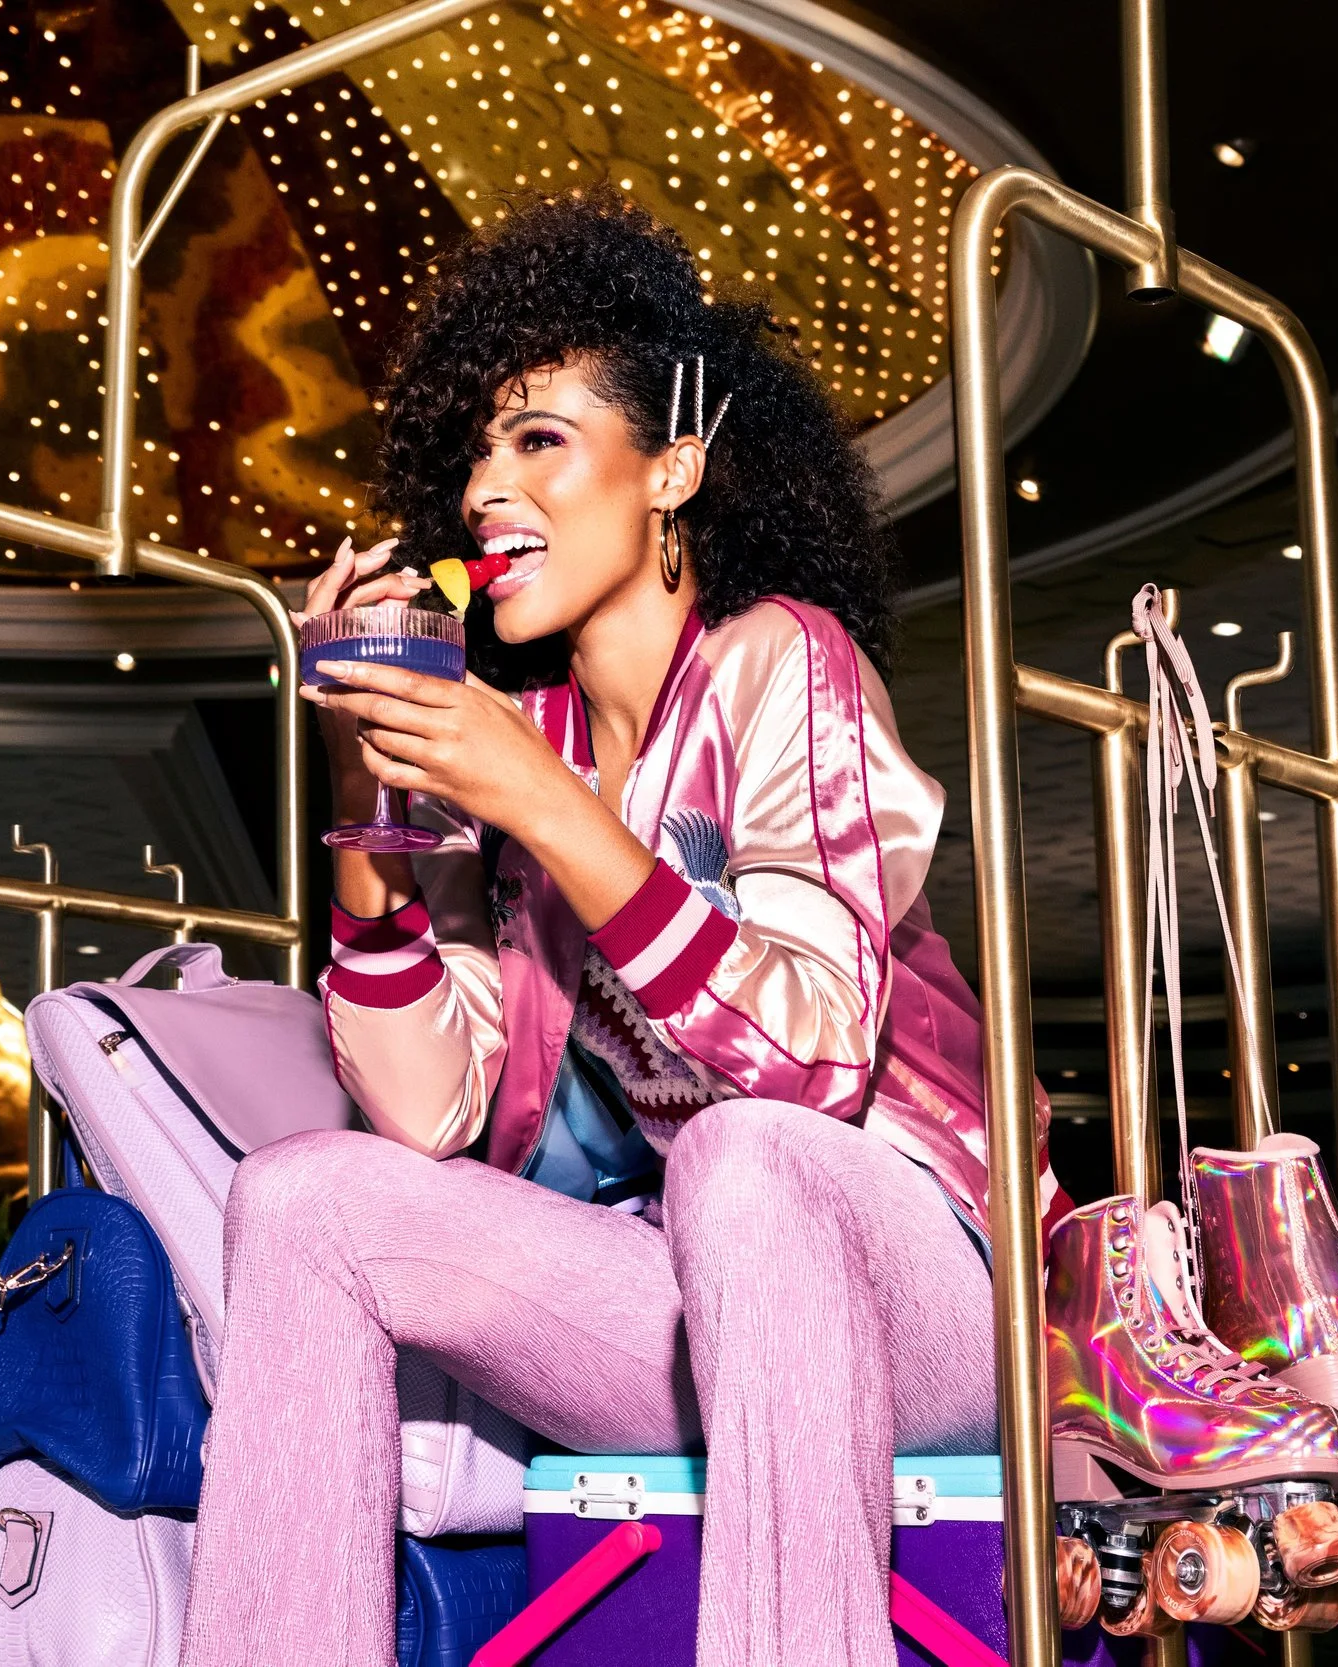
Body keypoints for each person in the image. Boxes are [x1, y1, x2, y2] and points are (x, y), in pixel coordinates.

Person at [182, 194, 1057, 1667]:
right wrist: (362, 797)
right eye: (475, 449)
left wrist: (551, 808)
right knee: (305, 1197)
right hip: (697, 1300)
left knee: (744, 1156)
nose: (483, 489)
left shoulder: (782, 662)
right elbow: (423, 1104)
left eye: (539, 440)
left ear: (672, 469)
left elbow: (813, 1065)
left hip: (929, 1290)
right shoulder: (509, 741)